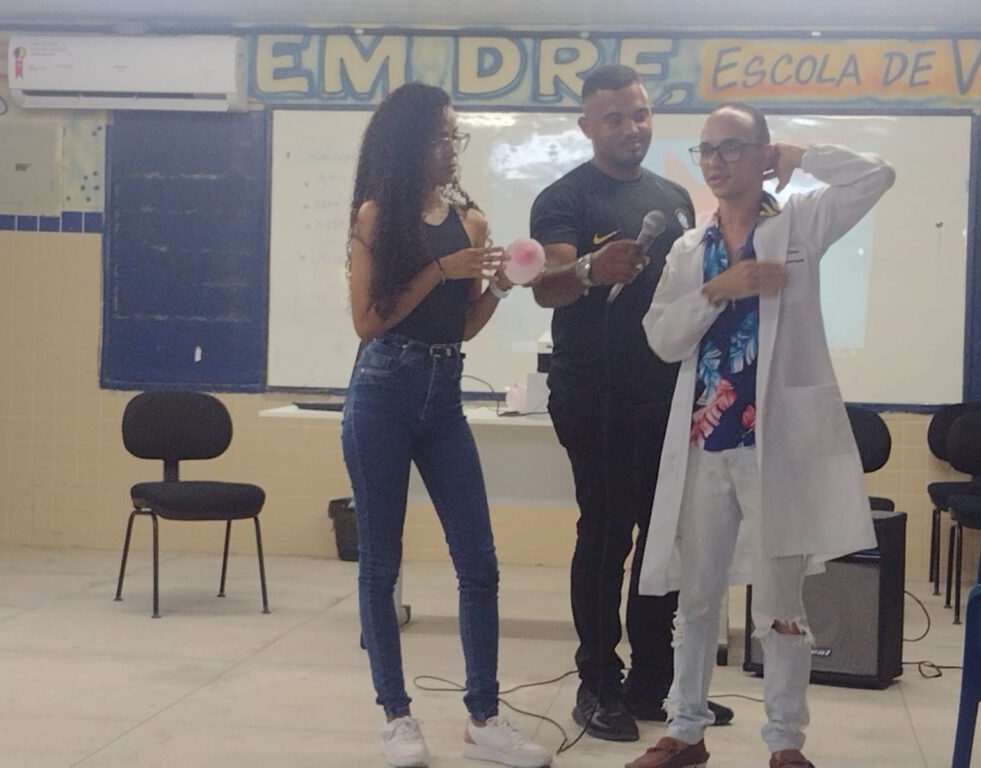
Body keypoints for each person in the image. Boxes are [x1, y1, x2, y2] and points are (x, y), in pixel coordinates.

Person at [626, 104, 895, 768]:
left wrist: (801, 155)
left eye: (731, 147)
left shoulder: (799, 221)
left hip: (775, 448)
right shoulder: (691, 249)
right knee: (697, 598)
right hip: (704, 444)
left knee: (779, 604)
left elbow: (876, 175)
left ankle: (785, 742)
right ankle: (685, 730)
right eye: (706, 150)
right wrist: (718, 289)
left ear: (761, 153)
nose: (716, 162)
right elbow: (660, 338)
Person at [342, 82, 552, 768]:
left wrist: (500, 286)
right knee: (381, 563)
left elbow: (461, 326)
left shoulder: (471, 222)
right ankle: (396, 717)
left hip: (443, 394)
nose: (452, 148)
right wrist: (439, 270)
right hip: (383, 388)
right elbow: (367, 322)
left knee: (479, 562)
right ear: (409, 142)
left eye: (455, 135)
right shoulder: (377, 217)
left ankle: (483, 718)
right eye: (441, 136)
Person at [529, 64, 732, 742]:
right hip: (594, 395)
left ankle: (653, 680)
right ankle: (597, 683)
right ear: (587, 125)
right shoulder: (564, 197)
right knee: (607, 534)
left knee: (663, 537)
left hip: (666, 396)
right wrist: (590, 270)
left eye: (639, 114)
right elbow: (546, 284)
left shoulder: (673, 197)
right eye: (614, 118)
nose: (630, 128)